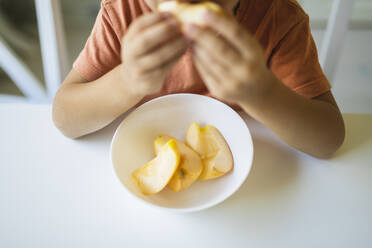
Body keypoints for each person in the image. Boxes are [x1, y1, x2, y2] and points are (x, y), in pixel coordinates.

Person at [52, 0, 345, 158]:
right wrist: (127, 80)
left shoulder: (278, 16)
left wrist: (262, 93)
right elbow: (65, 117)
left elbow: (329, 138)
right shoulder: (122, 12)